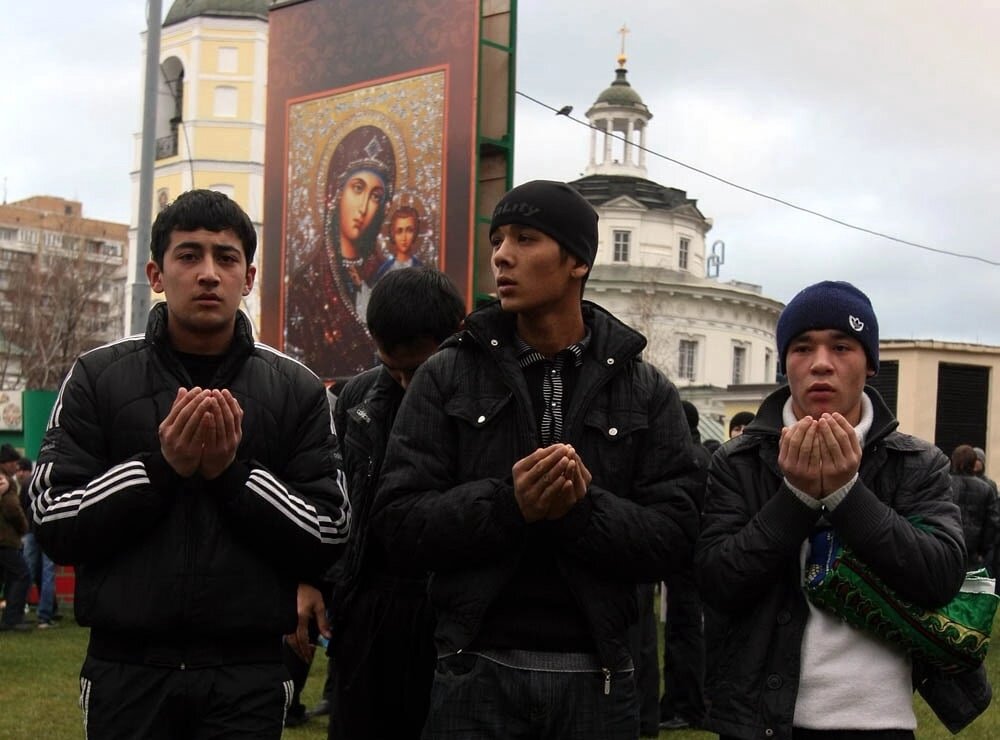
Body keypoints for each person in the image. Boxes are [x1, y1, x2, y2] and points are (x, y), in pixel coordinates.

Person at [372, 180, 700, 739]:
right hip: (475, 669)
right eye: (498, 240)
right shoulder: (447, 374)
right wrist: (508, 504)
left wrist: (579, 511)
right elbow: (397, 523)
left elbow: (677, 534)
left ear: (577, 260)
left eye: (525, 239)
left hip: (599, 677)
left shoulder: (645, 391)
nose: (502, 255)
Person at [29, 189, 351, 739]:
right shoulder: (98, 377)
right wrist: (159, 468)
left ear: (247, 278)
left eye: (226, 258)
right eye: (188, 256)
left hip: (246, 674)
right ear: (156, 273)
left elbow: (331, 529)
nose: (208, 273)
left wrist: (234, 477)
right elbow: (52, 518)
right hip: (127, 670)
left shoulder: (294, 387)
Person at [696, 280, 968, 739]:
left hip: (878, 721)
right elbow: (717, 582)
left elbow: (939, 577)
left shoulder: (916, 462)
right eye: (802, 348)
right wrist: (797, 498)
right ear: (785, 363)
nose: (821, 363)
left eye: (842, 346)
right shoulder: (738, 461)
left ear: (870, 364)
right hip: (763, 721)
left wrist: (846, 494)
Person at [323, 267, 466, 739]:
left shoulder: (480, 400)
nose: (406, 383)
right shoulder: (358, 399)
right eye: (391, 367)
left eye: (418, 369)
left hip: (445, 612)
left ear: (455, 338)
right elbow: (337, 501)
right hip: (367, 609)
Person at [285, 125, 396, 377]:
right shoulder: (306, 285)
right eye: (357, 188)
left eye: (376, 196)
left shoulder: (388, 277)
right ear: (335, 193)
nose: (364, 207)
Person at [658, 402, 709, 731]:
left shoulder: (685, 458)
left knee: (683, 633)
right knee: (686, 632)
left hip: (686, 557)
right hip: (696, 555)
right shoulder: (703, 455)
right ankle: (683, 703)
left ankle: (686, 705)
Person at [18, 457, 58, 628]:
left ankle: (19, 609)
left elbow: (22, 505)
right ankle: (45, 616)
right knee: (48, 573)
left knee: (27, 571)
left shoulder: (28, 482)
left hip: (31, 531)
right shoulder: (56, 482)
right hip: (50, 530)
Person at [950, 445, 998, 571]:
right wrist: (983, 551)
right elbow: (991, 524)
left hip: (948, 547)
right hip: (973, 553)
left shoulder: (945, 483)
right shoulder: (986, 488)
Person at [0, 471, 31, 631]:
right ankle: (13, 618)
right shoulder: (7, 490)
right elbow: (14, 511)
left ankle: (10, 618)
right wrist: (24, 528)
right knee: (22, 575)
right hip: (7, 542)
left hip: (5, 542)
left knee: (11, 578)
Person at [374, 204, 425, 282]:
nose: (404, 238)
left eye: (409, 230)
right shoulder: (385, 271)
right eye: (399, 231)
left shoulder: (422, 271)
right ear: (393, 234)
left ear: (415, 232)